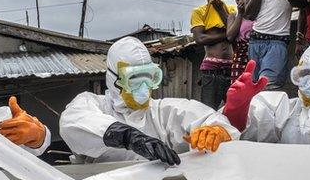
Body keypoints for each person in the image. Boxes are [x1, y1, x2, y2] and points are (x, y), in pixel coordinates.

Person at [59, 37, 240, 165]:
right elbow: (72, 123)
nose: (144, 88)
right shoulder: (93, 105)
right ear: (114, 79)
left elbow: (198, 114)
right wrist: (128, 137)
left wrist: (217, 129)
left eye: (149, 79)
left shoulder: (161, 112)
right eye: (135, 80)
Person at [190, 0, 236, 109]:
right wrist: (226, 35)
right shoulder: (199, 12)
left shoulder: (230, 10)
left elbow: (233, 35)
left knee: (233, 109)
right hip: (212, 69)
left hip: (231, 68)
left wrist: (220, 9)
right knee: (209, 110)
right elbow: (200, 39)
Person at [226, 0, 253, 83]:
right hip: (240, 60)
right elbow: (230, 37)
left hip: (256, 56)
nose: (241, 1)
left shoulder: (257, 15)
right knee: (239, 92)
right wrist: (240, 14)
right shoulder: (233, 16)